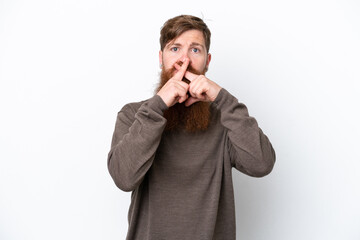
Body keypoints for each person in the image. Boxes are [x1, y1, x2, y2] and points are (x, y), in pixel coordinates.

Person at [107, 14, 276, 240]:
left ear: (207, 61)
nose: (183, 60)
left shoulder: (225, 120)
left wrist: (223, 99)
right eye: (174, 49)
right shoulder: (134, 115)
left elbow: (262, 163)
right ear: (161, 58)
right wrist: (157, 105)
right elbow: (123, 178)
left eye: (195, 50)